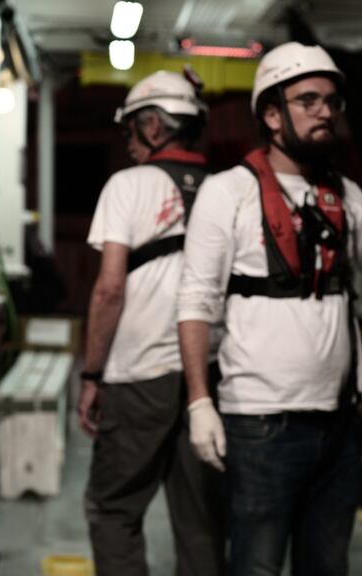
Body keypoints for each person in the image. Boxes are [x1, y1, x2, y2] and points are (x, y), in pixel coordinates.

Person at [177, 42, 362, 576]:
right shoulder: (227, 194)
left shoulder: (344, 195)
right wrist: (200, 402)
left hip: (337, 425)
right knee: (256, 566)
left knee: (326, 566)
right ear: (272, 115)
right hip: (261, 423)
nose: (326, 112)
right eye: (308, 100)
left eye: (332, 101)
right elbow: (195, 303)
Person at [79, 68, 225, 576]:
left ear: (156, 126)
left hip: (139, 375)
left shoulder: (128, 184)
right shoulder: (227, 189)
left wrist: (92, 374)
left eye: (132, 129)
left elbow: (110, 289)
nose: (129, 142)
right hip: (209, 375)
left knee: (113, 510)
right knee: (201, 520)